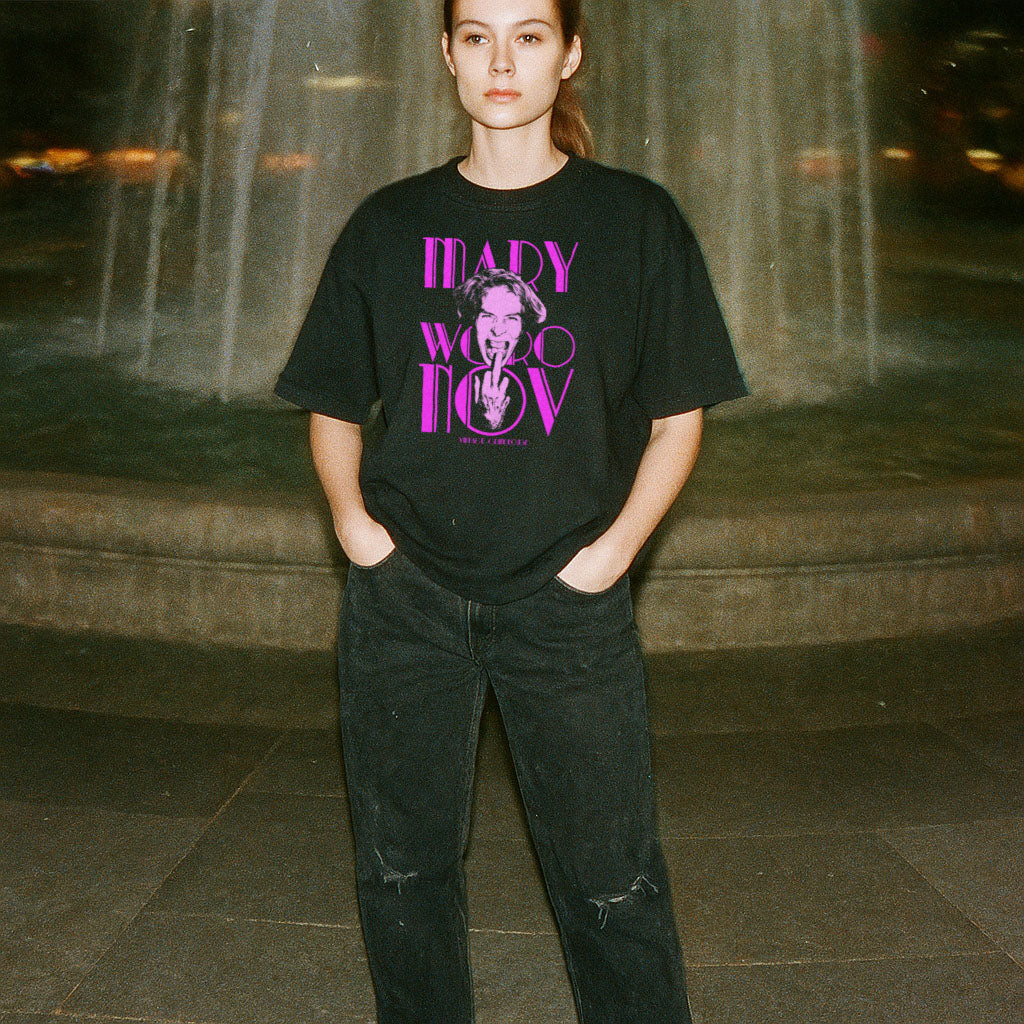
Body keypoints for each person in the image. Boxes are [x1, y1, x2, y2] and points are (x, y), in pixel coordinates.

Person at [272, 0, 749, 1020]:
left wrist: (615, 550)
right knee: (403, 875)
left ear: (568, 53)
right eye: (477, 35)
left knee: (611, 882)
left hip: (568, 602)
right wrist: (358, 528)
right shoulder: (388, 225)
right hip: (406, 604)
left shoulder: (634, 221)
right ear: (446, 53)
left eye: (528, 34)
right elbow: (328, 400)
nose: (501, 59)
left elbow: (680, 416)